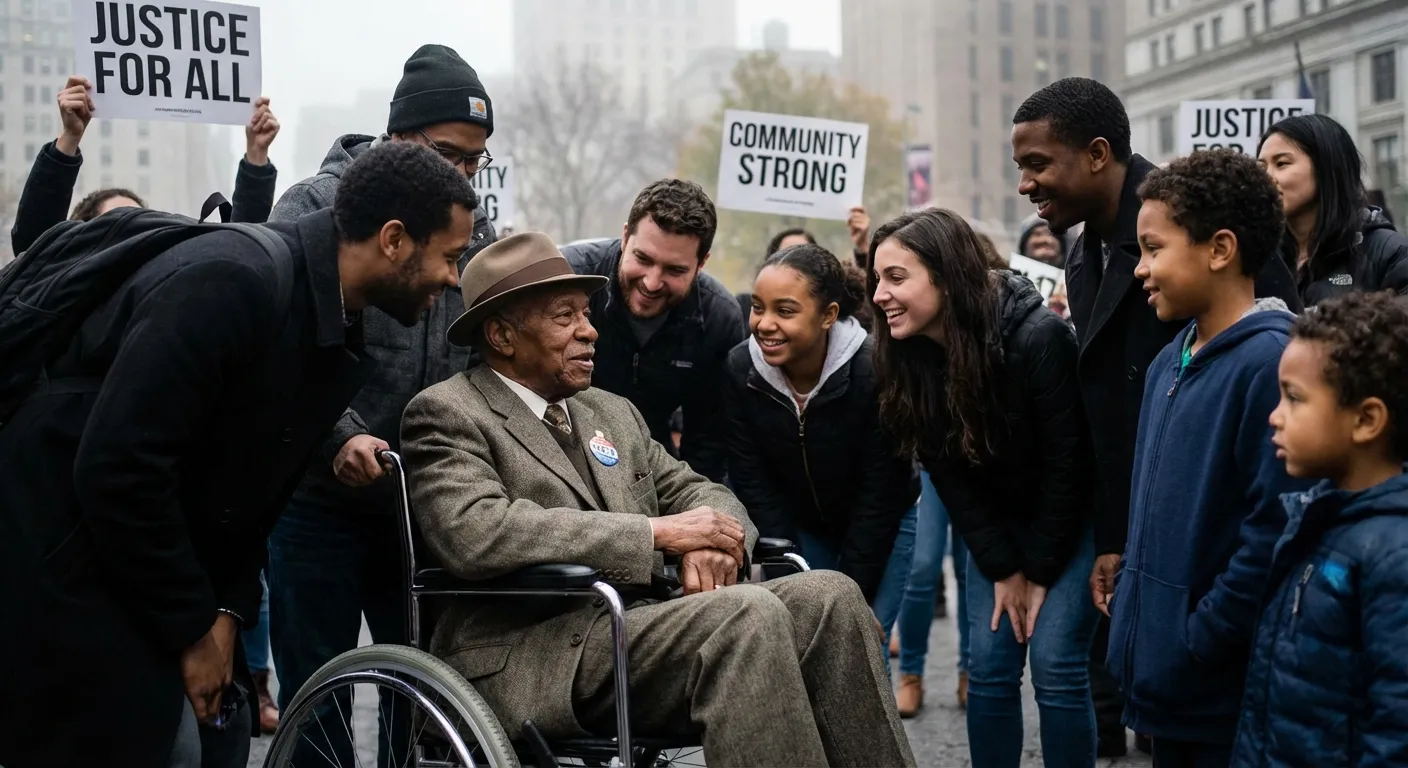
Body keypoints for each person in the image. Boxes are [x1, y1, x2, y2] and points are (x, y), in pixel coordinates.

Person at [0, 141, 476, 768]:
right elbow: (119, 467)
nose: (454, 279)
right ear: (393, 239)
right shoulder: (234, 281)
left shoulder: (324, 317)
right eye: (449, 257)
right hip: (61, 557)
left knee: (221, 739)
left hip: (134, 563)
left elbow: (248, 493)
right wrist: (193, 626)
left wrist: (228, 609)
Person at [400, 232, 917, 768]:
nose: (590, 330)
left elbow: (700, 490)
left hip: (634, 630)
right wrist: (659, 534)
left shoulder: (609, 411)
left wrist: (718, 539)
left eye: (586, 313)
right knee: (745, 613)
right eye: (565, 317)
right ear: (503, 335)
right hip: (531, 653)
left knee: (831, 595)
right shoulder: (447, 413)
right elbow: (476, 532)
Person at [1010, 76, 1303, 758]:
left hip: (1216, 649)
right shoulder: (1091, 259)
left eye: (1037, 165)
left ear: (1097, 153)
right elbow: (1119, 424)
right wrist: (1120, 542)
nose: (1026, 184)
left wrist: (1200, 634)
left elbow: (1273, 512)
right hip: (1161, 618)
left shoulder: (1262, 350)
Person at [262, 42, 498, 765]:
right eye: (446, 152)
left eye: (474, 162)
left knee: (420, 695)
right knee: (318, 699)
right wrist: (339, 438)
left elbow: (483, 360)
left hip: (417, 505)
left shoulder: (474, 228)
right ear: (399, 137)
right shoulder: (310, 207)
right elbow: (284, 348)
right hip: (316, 498)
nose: (460, 174)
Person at [869, 207, 1098, 768]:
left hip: (1068, 522)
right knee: (990, 669)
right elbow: (950, 476)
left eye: (896, 278)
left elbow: (1070, 467)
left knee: (1054, 665)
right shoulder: (911, 354)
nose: (879, 295)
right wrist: (1003, 567)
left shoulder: (1039, 338)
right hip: (998, 532)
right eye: (878, 278)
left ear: (945, 277)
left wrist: (1039, 572)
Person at [1106, 149, 1313, 768]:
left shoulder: (1270, 363)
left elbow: (1273, 529)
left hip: (1218, 687)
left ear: (1219, 249)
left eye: (1153, 248)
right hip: (1167, 683)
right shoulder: (1170, 359)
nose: (1140, 269)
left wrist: (1199, 638)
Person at [1235, 291, 1408, 768]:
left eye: (1294, 398)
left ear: (1366, 419)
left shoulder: (1394, 557)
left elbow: (1397, 731)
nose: (1275, 415)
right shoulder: (1316, 518)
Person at [724, 242, 916, 614]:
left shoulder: (874, 372)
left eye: (785, 311)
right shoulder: (739, 368)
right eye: (758, 308)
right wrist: (788, 567)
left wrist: (855, 594)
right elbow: (752, 478)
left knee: (861, 645)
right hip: (800, 525)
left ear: (828, 315)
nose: (764, 324)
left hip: (881, 524)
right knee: (807, 633)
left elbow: (879, 493)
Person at [559, 180, 742, 482]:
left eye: (675, 270)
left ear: (701, 264)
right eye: (642, 259)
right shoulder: (570, 278)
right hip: (561, 452)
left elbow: (709, 442)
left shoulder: (718, 318)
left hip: (650, 460)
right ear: (624, 237)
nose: (652, 282)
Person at [8, 75, 282, 254]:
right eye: (118, 224)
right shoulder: (64, 296)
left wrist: (256, 155)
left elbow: (243, 255)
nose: (134, 231)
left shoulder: (174, 286)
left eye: (142, 222)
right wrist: (69, 138)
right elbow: (33, 249)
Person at [1257, 113, 1408, 305]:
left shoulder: (1390, 255)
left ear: (1326, 168)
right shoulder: (1258, 257)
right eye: (1261, 168)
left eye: (1282, 164)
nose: (1267, 177)